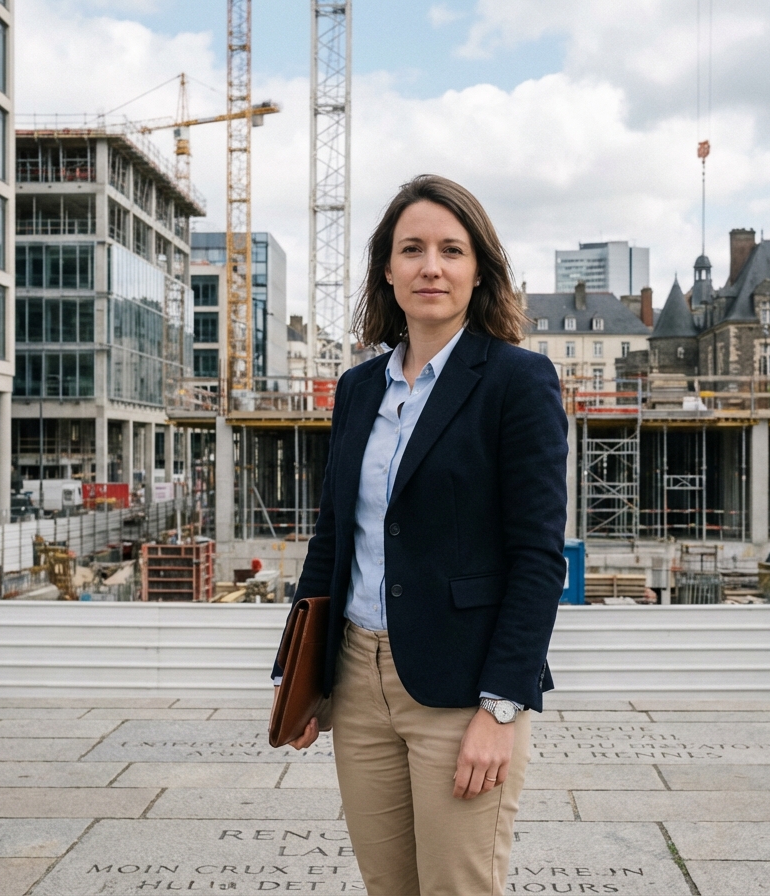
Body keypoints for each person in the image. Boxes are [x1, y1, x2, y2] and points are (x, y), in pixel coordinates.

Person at [271, 174, 568, 895]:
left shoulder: (517, 382)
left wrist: (503, 705)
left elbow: (538, 559)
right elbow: (333, 539)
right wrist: (299, 676)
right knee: (388, 887)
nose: (430, 266)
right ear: (388, 270)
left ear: (479, 271)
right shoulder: (357, 389)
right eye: (412, 249)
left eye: (450, 249)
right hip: (356, 682)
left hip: (462, 690)